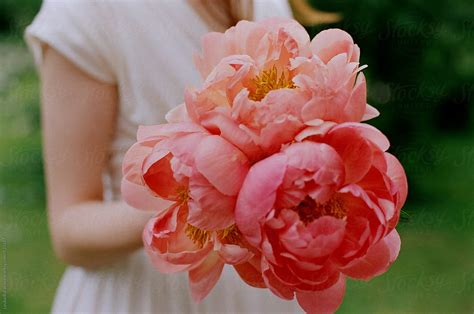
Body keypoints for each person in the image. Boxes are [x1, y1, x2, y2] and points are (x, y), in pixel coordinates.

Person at [25, 0, 337, 312]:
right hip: (147, 298)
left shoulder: (269, 5)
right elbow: (69, 228)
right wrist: (203, 203)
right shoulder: (88, 11)